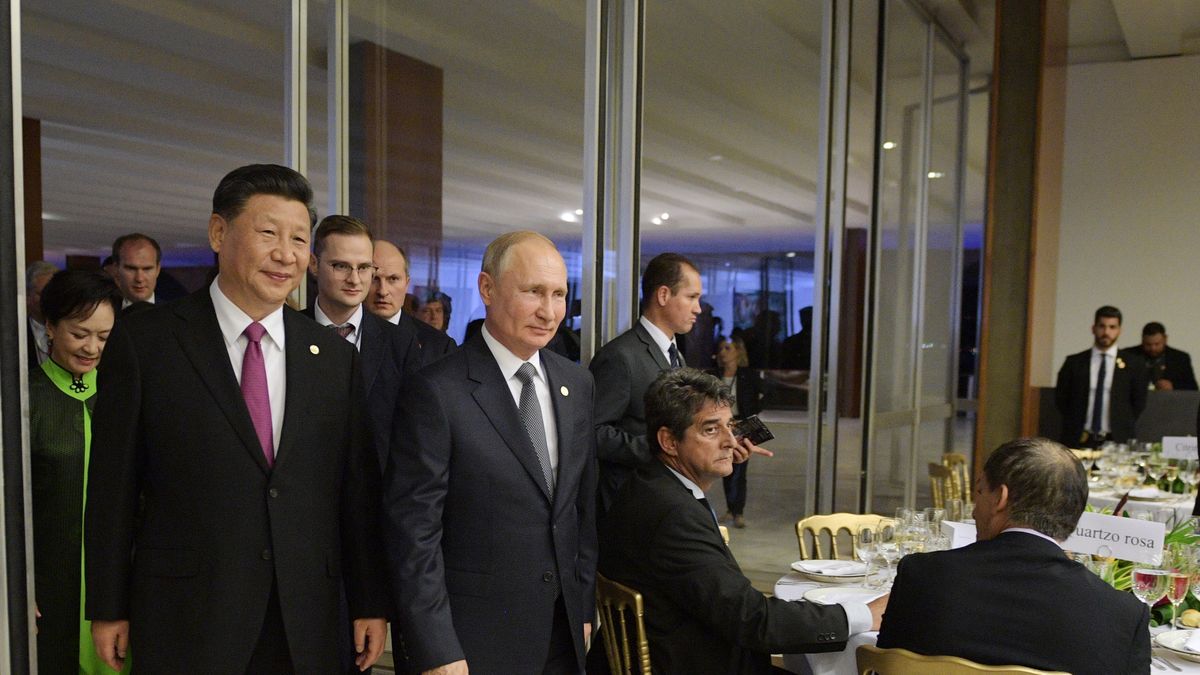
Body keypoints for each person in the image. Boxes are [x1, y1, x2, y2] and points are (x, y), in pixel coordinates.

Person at [85, 164, 388, 673]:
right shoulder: (148, 343)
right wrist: (108, 606)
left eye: (298, 239)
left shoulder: (332, 357)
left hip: (306, 615)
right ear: (218, 232)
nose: (286, 254)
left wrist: (370, 600)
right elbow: (113, 486)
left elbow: (355, 489)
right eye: (268, 233)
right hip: (188, 613)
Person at [384, 231, 597, 674]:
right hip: (473, 640)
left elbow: (580, 509)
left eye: (558, 294)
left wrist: (583, 607)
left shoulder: (576, 384)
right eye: (533, 292)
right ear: (487, 288)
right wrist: (437, 647)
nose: (549, 310)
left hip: (561, 632)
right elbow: (414, 533)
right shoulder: (437, 391)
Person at [596, 368, 884, 675]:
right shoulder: (674, 515)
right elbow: (753, 621)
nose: (731, 441)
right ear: (668, 441)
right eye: (711, 430)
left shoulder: (649, 484)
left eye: (730, 427)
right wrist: (863, 615)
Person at [878, 437, 1149, 674]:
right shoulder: (1122, 615)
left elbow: (886, 668)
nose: (973, 511)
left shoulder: (922, 575)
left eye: (980, 491)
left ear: (1001, 498)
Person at [29, 270, 124, 674]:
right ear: (50, 327)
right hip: (51, 583)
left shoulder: (124, 394)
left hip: (120, 583)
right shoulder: (26, 399)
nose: (92, 348)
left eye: (104, 337)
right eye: (80, 334)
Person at [591, 253, 707, 513]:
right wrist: (661, 449)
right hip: (630, 502)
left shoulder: (676, 354)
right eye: (691, 297)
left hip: (666, 498)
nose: (698, 308)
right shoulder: (620, 356)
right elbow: (594, 432)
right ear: (664, 295)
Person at [303, 214, 419, 470]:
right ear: (313, 264)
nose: (355, 279)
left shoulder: (400, 343)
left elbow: (412, 439)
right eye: (341, 266)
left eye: (364, 267)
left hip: (376, 500)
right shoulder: (287, 332)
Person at [1054, 305, 1147, 447]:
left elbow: (1138, 402)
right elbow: (1061, 400)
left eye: (1112, 327)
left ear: (1119, 330)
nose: (1106, 332)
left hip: (1117, 439)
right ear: (1093, 328)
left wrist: (1121, 422)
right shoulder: (1074, 362)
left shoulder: (1134, 364)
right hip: (1079, 438)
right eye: (1102, 326)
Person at [366, 240, 456, 361]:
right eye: (374, 279)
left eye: (393, 279)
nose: (383, 291)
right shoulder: (340, 335)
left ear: (406, 284)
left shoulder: (439, 347)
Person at [712, 335, 765, 529]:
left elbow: (767, 393)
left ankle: (738, 511)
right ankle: (730, 508)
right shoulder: (714, 375)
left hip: (742, 426)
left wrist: (752, 411)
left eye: (728, 348)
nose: (723, 353)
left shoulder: (748, 375)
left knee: (740, 468)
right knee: (726, 468)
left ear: (738, 352)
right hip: (723, 427)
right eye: (721, 349)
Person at [1119, 321, 1198, 391]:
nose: (1153, 348)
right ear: (1142, 340)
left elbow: (1193, 388)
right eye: (1148, 344)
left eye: (1157, 344)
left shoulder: (1180, 358)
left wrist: (1173, 386)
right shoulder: (1128, 356)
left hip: (1170, 404)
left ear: (1165, 339)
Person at [110, 233, 162, 306]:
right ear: (116, 269)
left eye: (147, 269)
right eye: (131, 269)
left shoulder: (175, 315)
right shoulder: (100, 314)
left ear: (158, 270)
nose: (139, 279)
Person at [25, 260, 58, 369]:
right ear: (28, 296)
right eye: (42, 293)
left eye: (54, 293)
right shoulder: (15, 334)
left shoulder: (73, 330)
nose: (50, 299)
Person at [780, 306, 813, 370]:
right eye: (805, 318)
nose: (807, 321)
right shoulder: (791, 342)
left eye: (809, 318)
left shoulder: (790, 341)